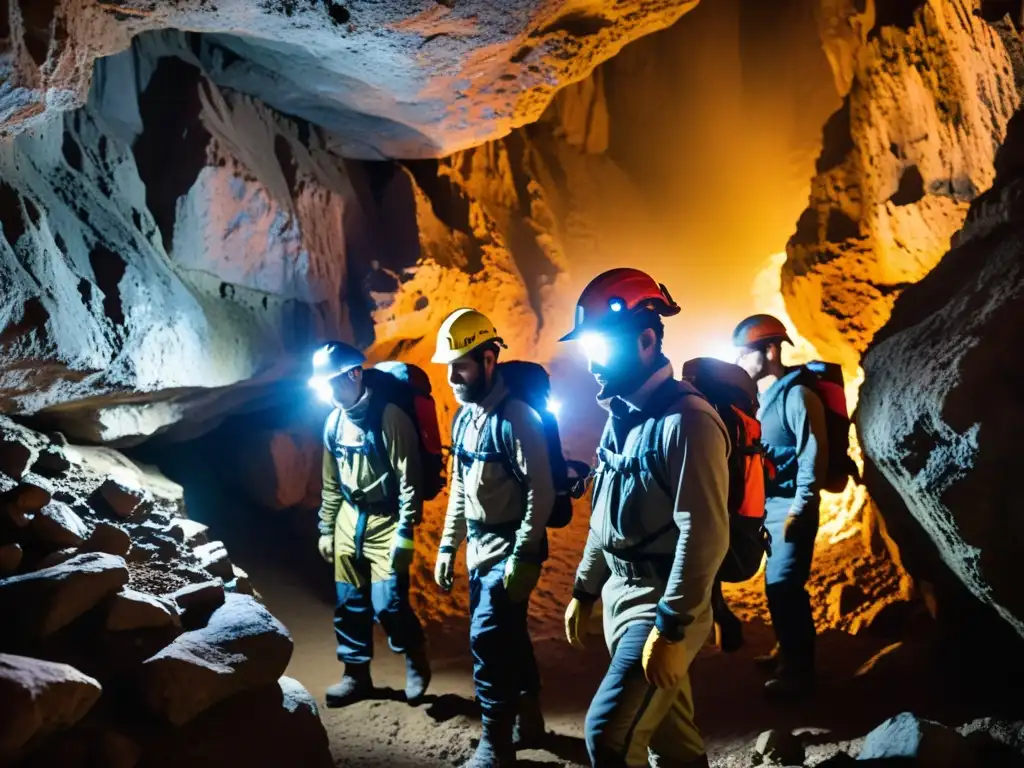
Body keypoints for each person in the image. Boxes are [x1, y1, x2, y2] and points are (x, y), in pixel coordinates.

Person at [561, 268, 730, 768]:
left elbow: (705, 533)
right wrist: (585, 589)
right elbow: (605, 515)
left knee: (609, 735)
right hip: (620, 595)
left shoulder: (688, 422)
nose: (593, 364)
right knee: (671, 739)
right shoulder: (622, 417)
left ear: (647, 339)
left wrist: (672, 627)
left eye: (603, 349)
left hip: (659, 602)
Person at [431, 308, 555, 768]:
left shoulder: (517, 418)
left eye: (460, 365)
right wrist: (448, 545)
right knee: (509, 635)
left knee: (488, 640)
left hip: (509, 550)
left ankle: (495, 745)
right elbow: (461, 488)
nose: (452, 377)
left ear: (488, 359)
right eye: (449, 366)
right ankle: (531, 720)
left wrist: (522, 554)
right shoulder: (465, 420)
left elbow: (541, 492)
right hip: (481, 551)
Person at [309, 341, 431, 708]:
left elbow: (410, 482)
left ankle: (414, 655)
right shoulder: (333, 421)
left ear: (354, 374)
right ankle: (355, 674)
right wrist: (326, 528)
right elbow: (331, 482)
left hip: (386, 521)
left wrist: (407, 532)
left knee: (388, 603)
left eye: (332, 383)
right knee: (349, 602)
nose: (328, 392)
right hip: (349, 518)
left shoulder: (389, 416)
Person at [733, 314, 828, 697]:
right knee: (775, 586)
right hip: (770, 505)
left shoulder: (798, 395)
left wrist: (801, 507)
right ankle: (787, 649)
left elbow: (812, 453)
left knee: (786, 586)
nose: (740, 363)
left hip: (790, 503)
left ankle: (799, 672)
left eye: (745, 354)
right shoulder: (766, 397)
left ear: (770, 350)